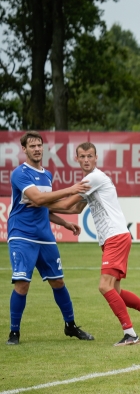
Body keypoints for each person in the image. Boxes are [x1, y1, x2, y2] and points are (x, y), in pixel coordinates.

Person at [45, 142, 140, 346]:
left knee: (104, 286)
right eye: (82, 156)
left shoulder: (93, 177)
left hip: (115, 237)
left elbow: (67, 203)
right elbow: (76, 209)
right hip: (114, 238)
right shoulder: (92, 180)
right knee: (117, 292)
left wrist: (39, 201)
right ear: (76, 159)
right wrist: (45, 208)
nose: (86, 160)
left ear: (96, 158)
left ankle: (131, 334)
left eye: (90, 156)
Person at [6, 131, 94, 345]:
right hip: (22, 235)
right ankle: (14, 333)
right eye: (32, 146)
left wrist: (65, 223)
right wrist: (70, 189)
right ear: (24, 149)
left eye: (39, 145)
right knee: (22, 284)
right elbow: (37, 197)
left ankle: (70, 326)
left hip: (44, 236)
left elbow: (43, 205)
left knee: (58, 281)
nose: (36, 149)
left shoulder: (47, 175)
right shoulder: (20, 173)